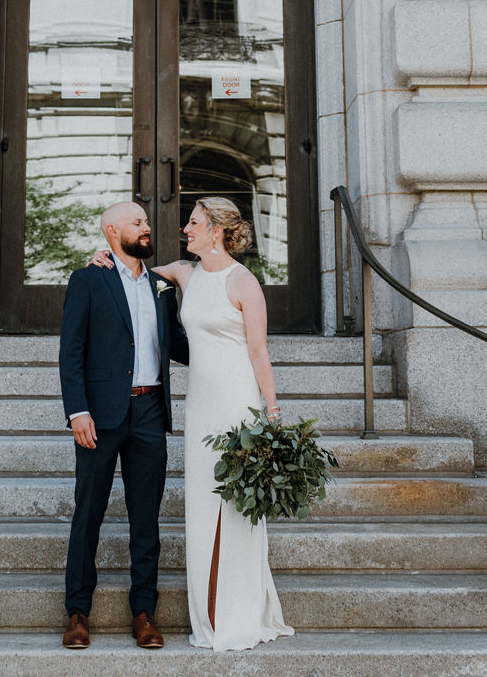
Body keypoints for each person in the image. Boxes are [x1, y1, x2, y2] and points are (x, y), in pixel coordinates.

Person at [90, 195, 293, 652]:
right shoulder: (184, 272)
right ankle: (209, 611)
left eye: (194, 222)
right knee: (204, 505)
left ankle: (237, 611)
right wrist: (102, 255)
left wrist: (272, 412)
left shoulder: (244, 282)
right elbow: (134, 271)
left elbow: (259, 351)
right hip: (200, 404)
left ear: (216, 230)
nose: (185, 228)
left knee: (237, 507)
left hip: (237, 400)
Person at [59, 200, 189, 651]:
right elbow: (71, 350)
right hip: (100, 414)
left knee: (146, 517)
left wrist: (229, 335)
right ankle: (77, 612)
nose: (147, 228)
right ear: (113, 231)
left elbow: (178, 344)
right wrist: (77, 411)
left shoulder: (161, 285)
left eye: (147, 222)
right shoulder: (88, 279)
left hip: (151, 412)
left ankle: (144, 612)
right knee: (88, 513)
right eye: (138, 222)